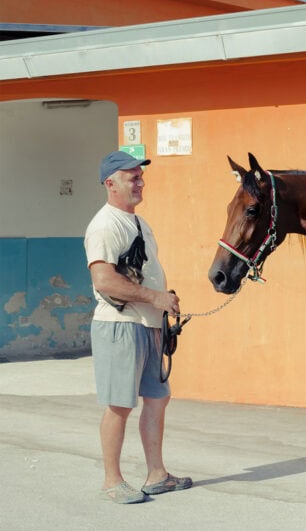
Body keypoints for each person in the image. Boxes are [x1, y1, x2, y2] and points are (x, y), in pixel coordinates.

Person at [84, 151, 192, 504]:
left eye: (140, 176)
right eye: (131, 177)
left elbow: (144, 271)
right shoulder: (104, 225)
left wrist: (162, 303)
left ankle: (156, 474)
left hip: (148, 325)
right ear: (110, 183)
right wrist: (154, 297)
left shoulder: (140, 223)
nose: (139, 181)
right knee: (119, 404)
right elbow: (104, 281)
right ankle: (111, 481)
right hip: (120, 325)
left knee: (158, 398)